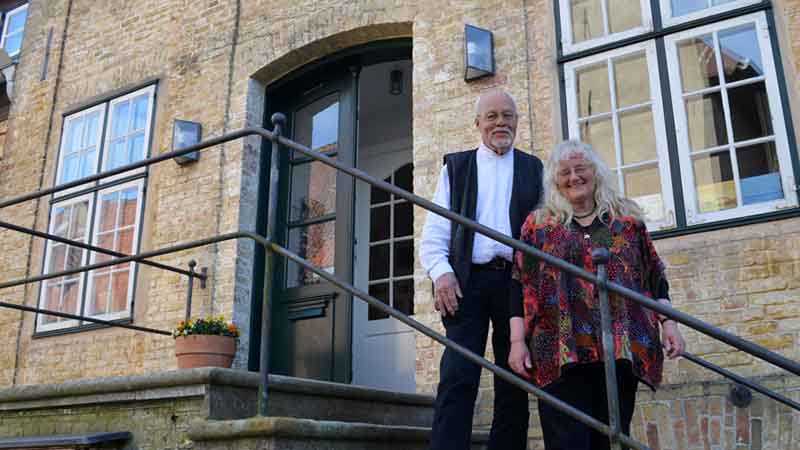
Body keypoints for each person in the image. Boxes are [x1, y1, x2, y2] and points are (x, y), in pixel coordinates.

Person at [508, 140, 685, 450]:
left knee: (610, 438)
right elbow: (519, 284)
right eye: (565, 172)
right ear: (554, 179)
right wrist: (516, 342)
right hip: (559, 350)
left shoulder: (627, 222)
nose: (574, 177)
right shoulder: (538, 227)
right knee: (566, 441)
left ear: (596, 172)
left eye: (581, 169)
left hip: (619, 348)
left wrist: (669, 324)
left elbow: (654, 277)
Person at [420, 89, 543, 450]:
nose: (500, 122)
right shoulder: (456, 168)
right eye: (492, 116)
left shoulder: (534, 168)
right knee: (458, 375)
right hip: (466, 282)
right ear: (477, 124)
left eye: (507, 115)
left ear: (517, 122)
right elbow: (435, 233)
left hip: (516, 283)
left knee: (515, 379)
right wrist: (441, 272)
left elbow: (547, 233)